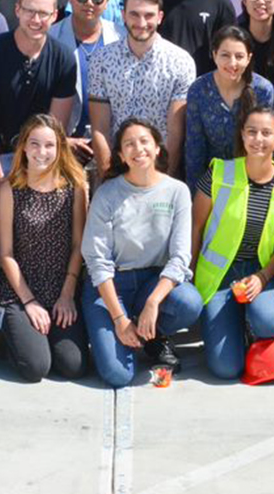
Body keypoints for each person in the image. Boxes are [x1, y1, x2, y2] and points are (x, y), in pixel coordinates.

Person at [81, 118, 203, 386]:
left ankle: (151, 334)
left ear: (158, 147)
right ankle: (134, 336)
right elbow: (97, 262)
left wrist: (153, 302)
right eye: (129, 144)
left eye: (145, 141)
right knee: (118, 375)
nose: (139, 149)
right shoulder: (107, 194)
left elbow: (181, 257)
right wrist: (119, 319)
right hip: (111, 287)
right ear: (122, 155)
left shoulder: (177, 191)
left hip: (152, 282)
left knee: (189, 302)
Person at [190, 104, 274, 379]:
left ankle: (253, 323)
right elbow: (196, 227)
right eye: (251, 132)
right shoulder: (219, 173)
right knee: (225, 368)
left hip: (259, 271)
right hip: (220, 275)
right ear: (242, 135)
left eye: (266, 133)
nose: (258, 139)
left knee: (269, 322)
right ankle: (233, 321)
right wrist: (189, 272)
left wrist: (263, 278)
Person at [0, 115, 90, 382]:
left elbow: (77, 245)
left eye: (49, 145)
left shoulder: (75, 186)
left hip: (60, 289)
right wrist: (30, 302)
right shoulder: (10, 188)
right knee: (36, 368)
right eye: (34, 144)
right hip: (20, 290)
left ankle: (39, 335)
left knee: (73, 366)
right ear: (23, 147)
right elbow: (6, 254)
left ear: (60, 148)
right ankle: (11, 332)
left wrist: (67, 295)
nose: (41, 152)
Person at [0, 0, 78, 180]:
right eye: (29, 11)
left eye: (44, 13)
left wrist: (37, 175)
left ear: (54, 16)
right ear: (17, 10)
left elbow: (55, 127)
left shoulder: (64, 58)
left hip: (40, 156)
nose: (36, 20)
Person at [87, 0, 196, 174]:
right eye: (134, 14)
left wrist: (160, 182)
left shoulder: (181, 61)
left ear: (160, 17)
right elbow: (100, 128)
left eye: (149, 15)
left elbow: (175, 133)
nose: (141, 22)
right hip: (115, 171)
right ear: (123, 15)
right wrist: (109, 178)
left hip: (161, 171)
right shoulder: (101, 60)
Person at [182, 27, 274, 189]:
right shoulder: (199, 89)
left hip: (250, 180)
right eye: (225, 55)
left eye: (239, 56)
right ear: (214, 55)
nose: (232, 63)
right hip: (211, 180)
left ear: (249, 58)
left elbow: (266, 143)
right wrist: (195, 193)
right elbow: (194, 147)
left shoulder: (262, 90)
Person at [52, 0, 123, 143]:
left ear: (107, 1)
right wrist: (62, 140)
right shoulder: (50, 38)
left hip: (111, 140)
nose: (90, 3)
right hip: (64, 141)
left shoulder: (122, 37)